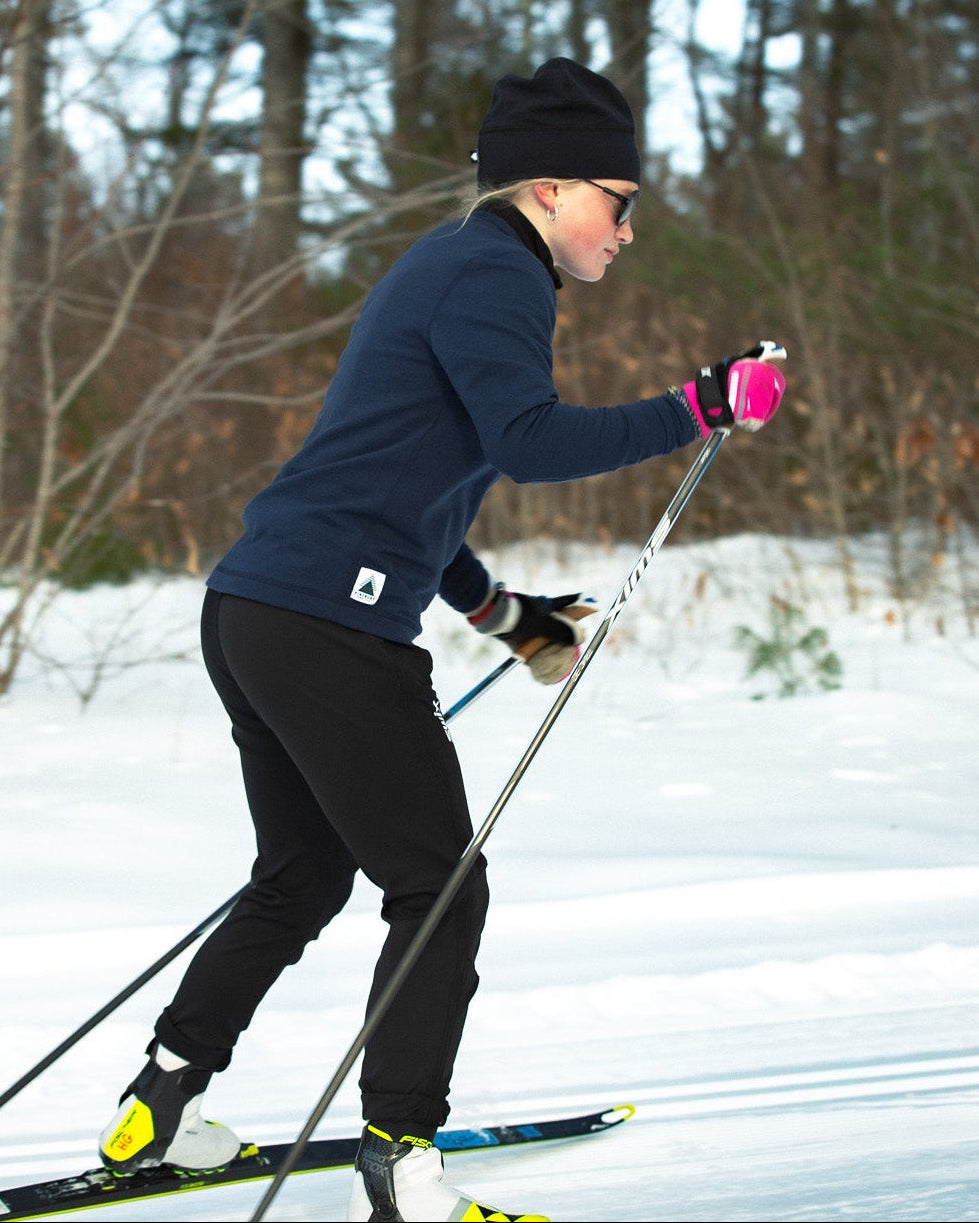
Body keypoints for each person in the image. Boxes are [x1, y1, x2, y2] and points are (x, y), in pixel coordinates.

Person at [97, 57, 785, 1223]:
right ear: (548, 188)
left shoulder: (454, 269)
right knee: (440, 884)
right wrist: (696, 405)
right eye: (619, 202)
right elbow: (527, 440)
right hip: (322, 624)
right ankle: (402, 1164)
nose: (627, 231)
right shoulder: (492, 271)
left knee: (301, 875)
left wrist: (500, 614)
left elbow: (410, 476)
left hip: (261, 604)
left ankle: (160, 1099)